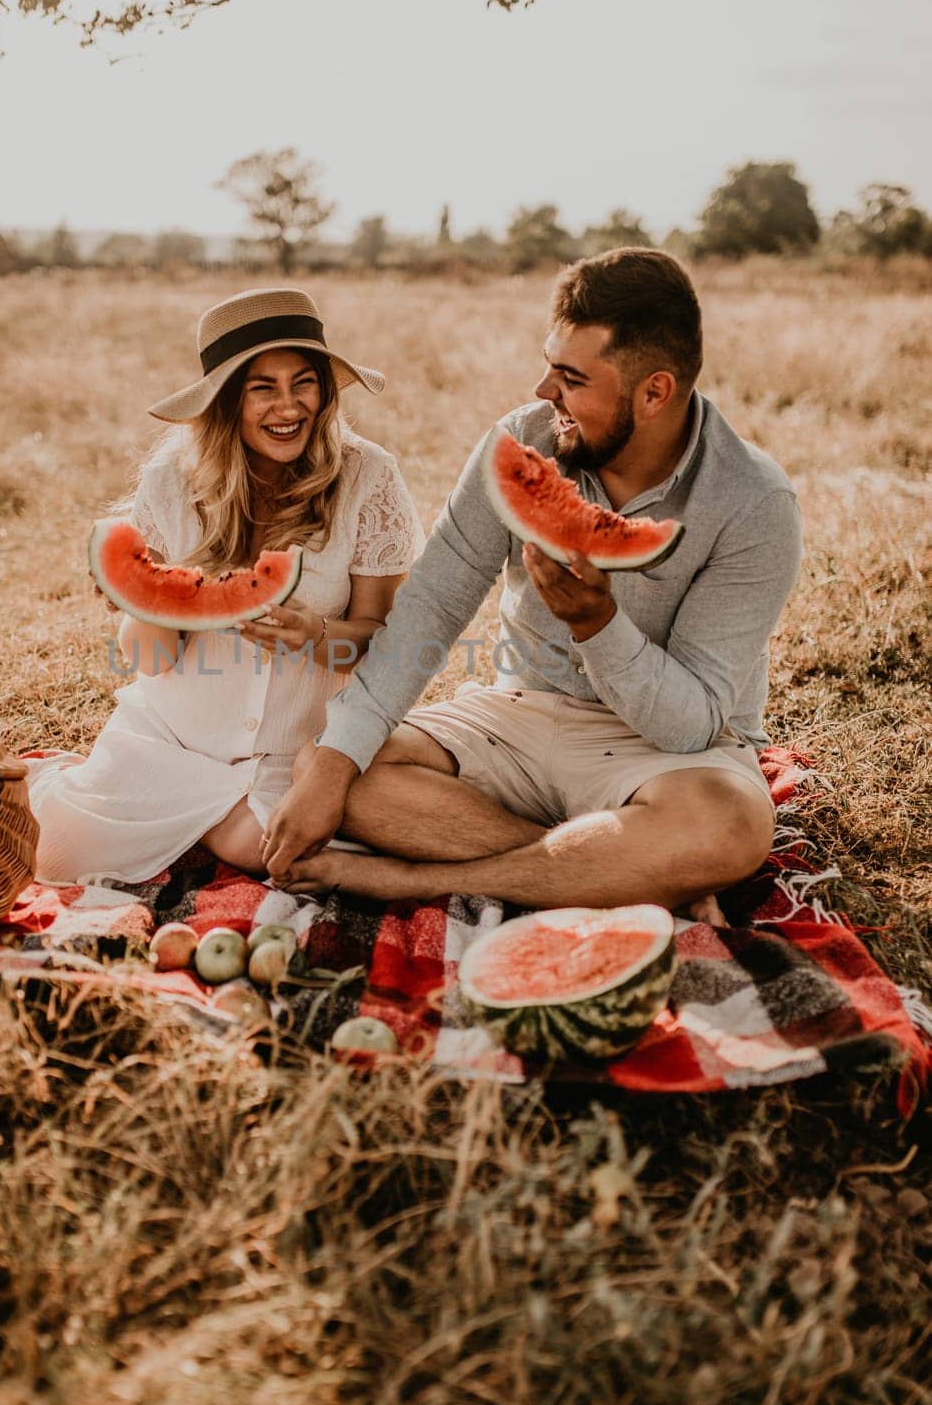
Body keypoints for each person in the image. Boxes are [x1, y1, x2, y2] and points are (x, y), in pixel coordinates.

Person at [262, 248, 804, 915]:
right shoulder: (521, 441)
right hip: (521, 715)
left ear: (654, 392)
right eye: (549, 365)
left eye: (570, 377)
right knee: (336, 767)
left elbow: (689, 725)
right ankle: (624, 868)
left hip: (667, 755)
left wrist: (597, 627)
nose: (543, 391)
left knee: (727, 830)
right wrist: (333, 764)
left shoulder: (753, 502)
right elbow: (430, 605)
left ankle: (410, 880)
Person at [26, 287, 424, 885]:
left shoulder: (369, 477)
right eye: (262, 387)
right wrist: (147, 601)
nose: (288, 407)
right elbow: (148, 659)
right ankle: (199, 817)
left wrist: (314, 635)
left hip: (296, 753)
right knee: (56, 855)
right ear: (226, 399)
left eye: (304, 382)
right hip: (170, 744)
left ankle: (211, 827)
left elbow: (379, 643)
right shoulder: (170, 480)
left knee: (286, 855)